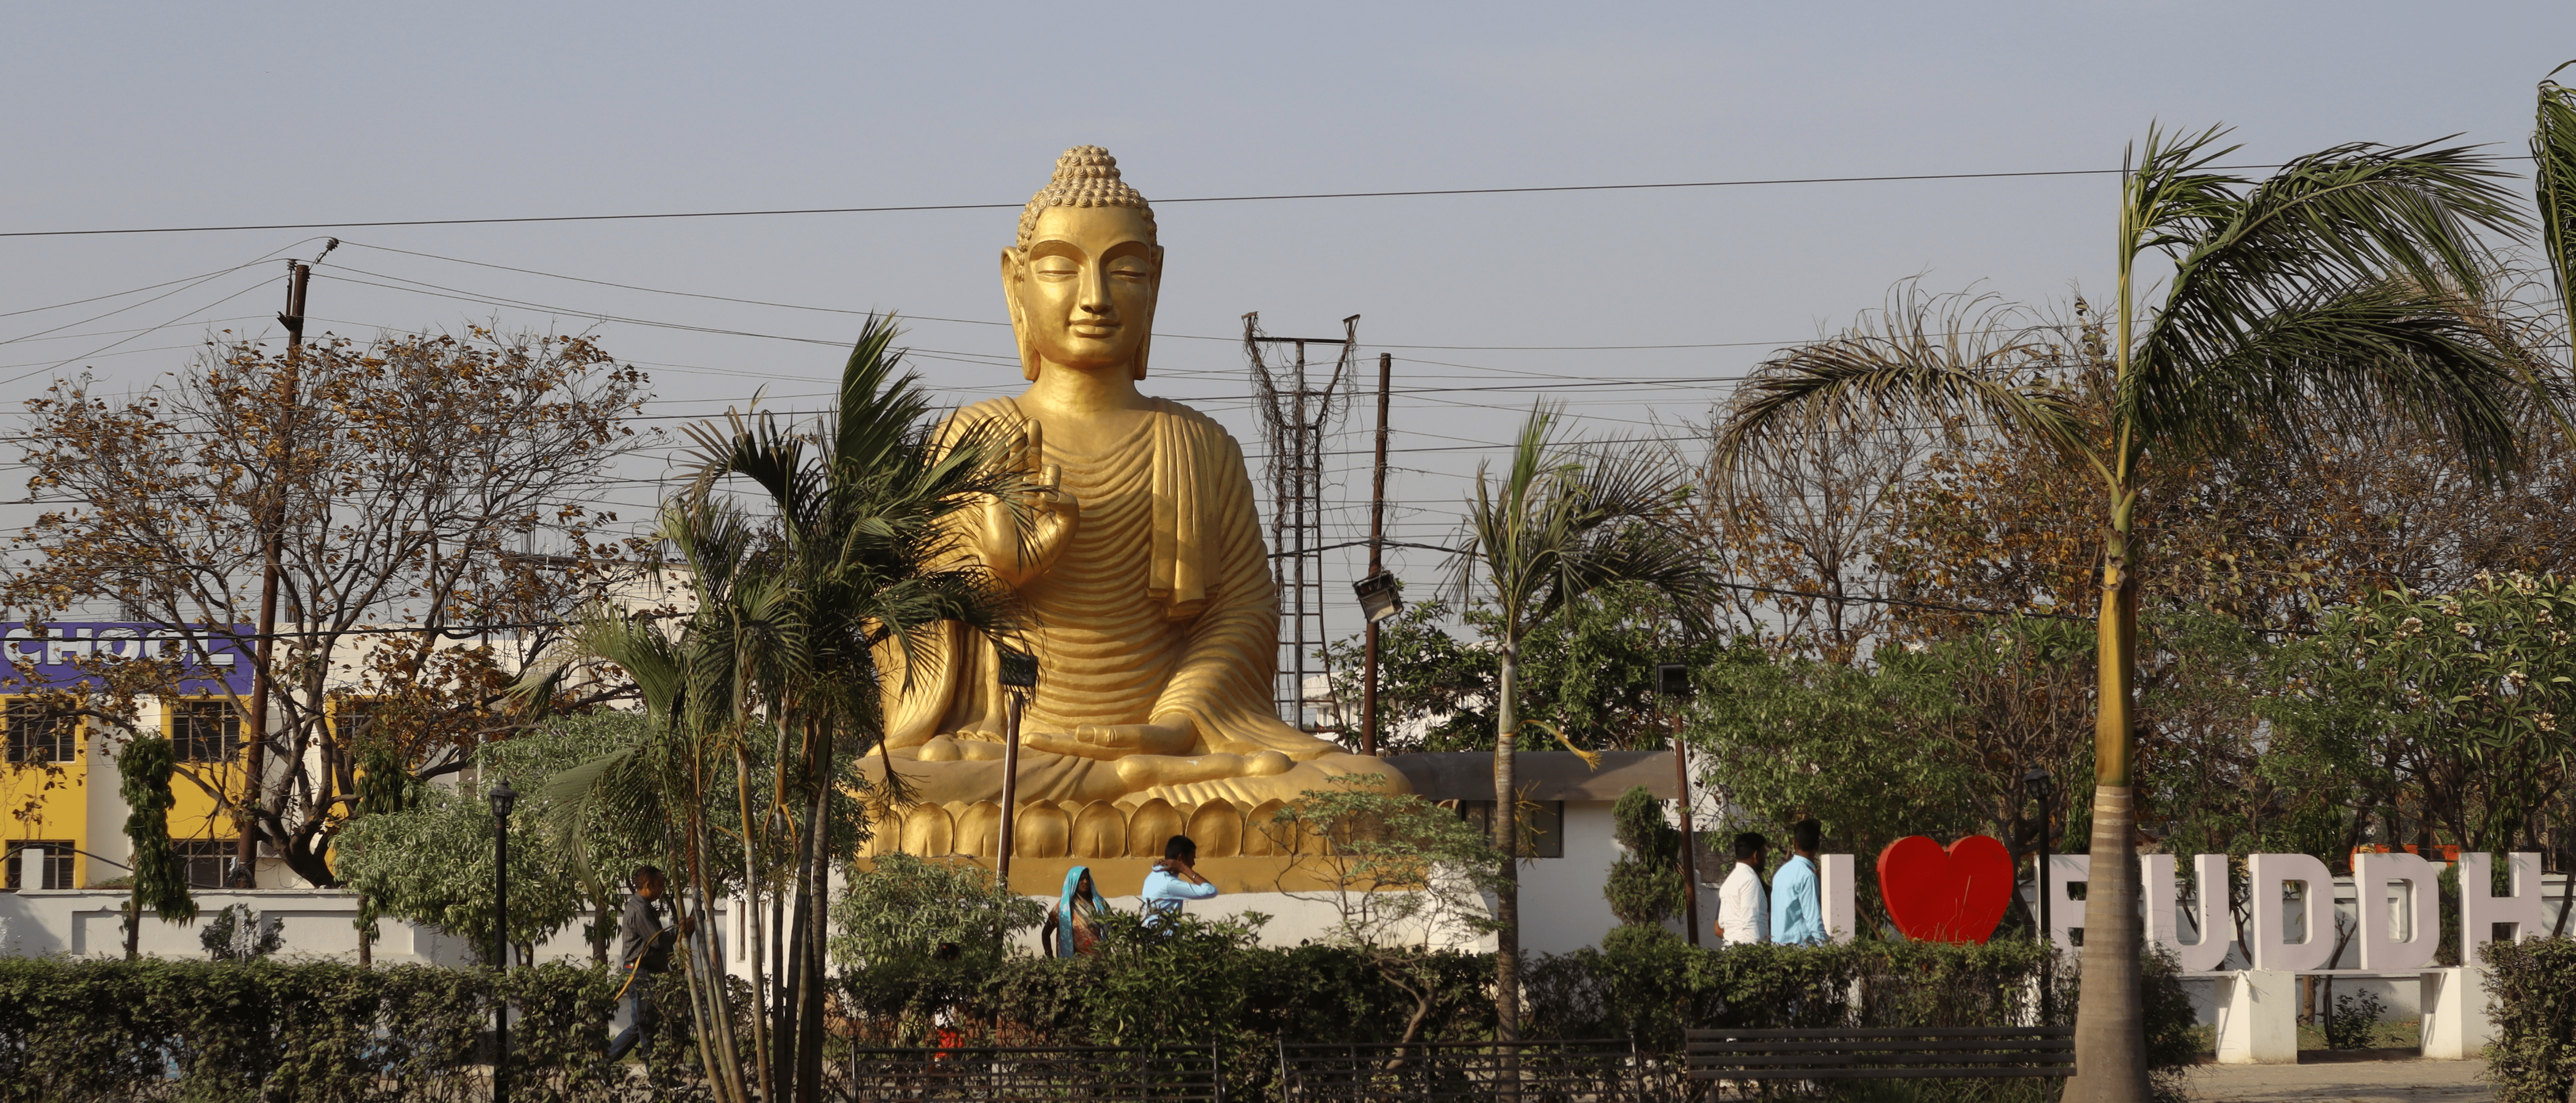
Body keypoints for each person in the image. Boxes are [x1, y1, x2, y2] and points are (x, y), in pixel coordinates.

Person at [605, 866, 696, 1066]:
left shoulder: (644, 906)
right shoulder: (639, 909)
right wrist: (682, 931)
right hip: (640, 973)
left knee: (648, 1024)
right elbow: (657, 941)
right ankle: (607, 1062)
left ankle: (656, 1074)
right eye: (661, 885)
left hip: (648, 973)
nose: (663, 889)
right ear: (648, 885)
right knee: (643, 1024)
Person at [1140, 834, 1216, 927]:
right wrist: (1185, 869)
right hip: (1166, 939)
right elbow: (1210, 891)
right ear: (1181, 858)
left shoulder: (1152, 876)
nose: (1193, 863)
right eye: (1192, 858)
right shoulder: (1168, 884)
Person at [1770, 819, 1826, 946]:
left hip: (1778, 948)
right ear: (1818, 846)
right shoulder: (1808, 876)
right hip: (1799, 950)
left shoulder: (1781, 873)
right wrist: (1827, 950)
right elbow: (1814, 921)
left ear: (1795, 844)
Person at [1715, 831, 1770, 946]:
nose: (1765, 857)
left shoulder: (1729, 882)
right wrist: (1757, 957)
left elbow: (1721, 923)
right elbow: (1751, 924)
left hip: (1731, 950)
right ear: (1756, 855)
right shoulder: (1750, 880)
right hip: (1747, 955)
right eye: (1764, 853)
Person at [1042, 866, 1110, 956]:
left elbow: (1115, 925)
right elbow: (1046, 933)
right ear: (1073, 882)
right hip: (1076, 964)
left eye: (1087, 878)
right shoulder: (1063, 908)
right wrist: (1049, 955)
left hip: (1101, 960)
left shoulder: (1100, 904)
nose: (1086, 882)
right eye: (1081, 879)